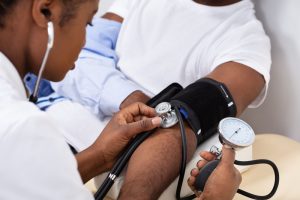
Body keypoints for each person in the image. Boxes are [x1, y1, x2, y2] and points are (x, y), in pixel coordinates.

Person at [46, 0, 271, 199]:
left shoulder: (247, 44)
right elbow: (75, 56)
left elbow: (179, 122)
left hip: (105, 163)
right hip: (50, 128)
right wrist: (128, 97)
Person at [0, 0, 164, 199]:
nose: (85, 42)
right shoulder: (23, 126)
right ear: (45, 11)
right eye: (88, 23)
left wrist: (100, 156)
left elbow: (28, 182)